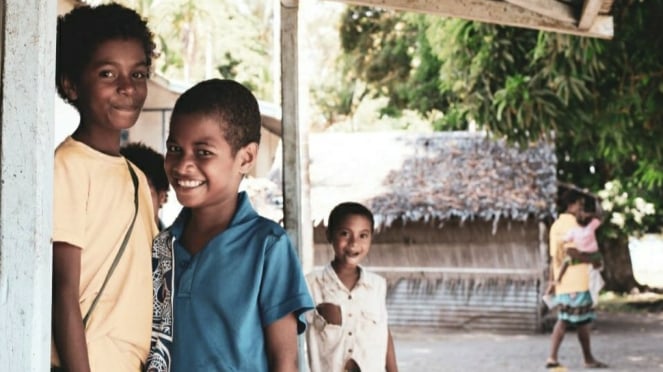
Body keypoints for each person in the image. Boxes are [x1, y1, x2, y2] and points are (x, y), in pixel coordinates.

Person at [146, 78, 314, 372]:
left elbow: (285, 362)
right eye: (174, 147)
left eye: (203, 152)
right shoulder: (162, 246)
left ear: (246, 158)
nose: (183, 164)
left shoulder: (268, 247)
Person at [52, 3, 158, 372]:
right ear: (71, 84)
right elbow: (62, 290)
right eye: (108, 73)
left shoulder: (137, 179)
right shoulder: (67, 165)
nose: (127, 87)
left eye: (138, 73)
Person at [305, 202, 399, 372]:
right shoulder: (311, 285)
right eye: (345, 234)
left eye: (363, 235)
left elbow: (384, 333)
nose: (354, 243)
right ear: (329, 235)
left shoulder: (377, 285)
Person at [545, 190, 607, 369]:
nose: (581, 208)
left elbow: (553, 259)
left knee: (581, 321)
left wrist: (553, 282)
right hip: (577, 280)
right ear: (571, 205)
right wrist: (594, 260)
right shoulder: (575, 224)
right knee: (566, 320)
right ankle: (554, 357)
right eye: (579, 204)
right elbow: (571, 252)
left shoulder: (556, 225)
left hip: (564, 282)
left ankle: (585, 358)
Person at [548, 206, 605, 306]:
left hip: (582, 255)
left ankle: (558, 279)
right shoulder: (590, 226)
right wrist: (596, 208)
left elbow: (564, 241)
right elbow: (601, 217)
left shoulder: (573, 231)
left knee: (566, 262)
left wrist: (560, 243)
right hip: (592, 255)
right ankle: (557, 280)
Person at [120, 142, 170, 230]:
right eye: (127, 194)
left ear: (162, 197)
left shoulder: (177, 243)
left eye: (143, 193)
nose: (134, 202)